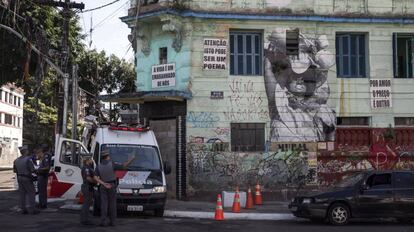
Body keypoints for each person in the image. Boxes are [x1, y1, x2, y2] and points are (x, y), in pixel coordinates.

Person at [96, 149, 135, 227]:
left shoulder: (98, 166)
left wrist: (103, 183)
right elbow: (124, 165)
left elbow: (95, 177)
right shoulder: (112, 164)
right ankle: (113, 222)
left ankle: (103, 221)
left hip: (103, 186)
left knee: (104, 204)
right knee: (112, 204)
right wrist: (131, 159)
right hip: (111, 185)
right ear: (107, 156)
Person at [80, 155, 111, 226]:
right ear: (88, 160)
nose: (92, 160)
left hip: (89, 187)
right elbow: (88, 178)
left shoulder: (89, 167)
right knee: (86, 204)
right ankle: (84, 220)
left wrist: (101, 182)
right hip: (87, 187)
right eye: (91, 159)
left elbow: (94, 177)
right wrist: (95, 182)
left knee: (88, 203)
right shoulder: (86, 168)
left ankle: (86, 218)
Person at [13, 145, 38, 215]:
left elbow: (15, 170)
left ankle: (23, 209)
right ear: (25, 152)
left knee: (22, 194)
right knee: (31, 193)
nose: (28, 151)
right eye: (27, 150)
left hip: (20, 178)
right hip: (27, 178)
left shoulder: (16, 160)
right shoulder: (28, 159)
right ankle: (32, 210)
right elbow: (32, 170)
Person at [35, 144, 52, 209]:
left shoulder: (46, 155)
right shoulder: (44, 155)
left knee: (42, 191)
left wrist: (38, 169)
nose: (41, 149)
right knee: (42, 190)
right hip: (42, 175)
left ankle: (42, 204)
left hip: (43, 175)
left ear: (45, 148)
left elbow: (47, 167)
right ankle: (42, 203)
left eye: (42, 148)